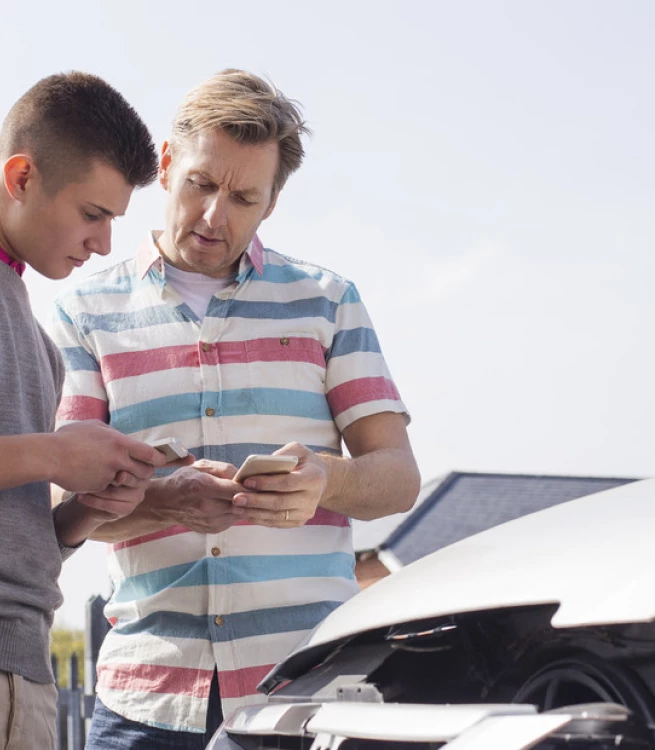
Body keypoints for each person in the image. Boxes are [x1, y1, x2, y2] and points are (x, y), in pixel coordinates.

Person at [50, 69, 421, 750]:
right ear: (165, 166)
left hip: (306, 696)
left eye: (244, 196)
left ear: (272, 203)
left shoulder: (329, 302)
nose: (216, 216)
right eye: (201, 184)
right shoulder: (83, 312)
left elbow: (397, 477)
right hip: (145, 703)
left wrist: (327, 481)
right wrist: (167, 502)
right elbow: (63, 506)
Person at [0, 71, 176, 750]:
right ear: (21, 178)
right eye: (92, 213)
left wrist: (86, 511)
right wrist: (54, 454)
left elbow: (22, 538)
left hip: (26, 669)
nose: (103, 244)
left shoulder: (39, 340)